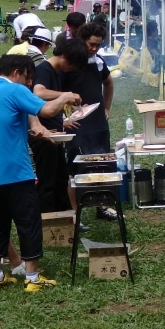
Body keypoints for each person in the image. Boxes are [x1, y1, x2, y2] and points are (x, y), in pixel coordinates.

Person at [0, 54, 80, 291]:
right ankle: (32, 278)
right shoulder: (14, 91)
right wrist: (65, 96)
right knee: (28, 222)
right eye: (27, 78)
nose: (28, 84)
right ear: (16, 72)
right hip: (17, 172)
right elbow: (47, 110)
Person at [63, 23, 116, 220]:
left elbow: (109, 83)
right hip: (76, 123)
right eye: (91, 44)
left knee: (101, 162)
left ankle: (102, 206)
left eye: (98, 45)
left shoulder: (99, 62)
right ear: (81, 41)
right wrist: (64, 117)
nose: (94, 49)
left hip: (98, 123)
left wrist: (107, 108)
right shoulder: (69, 65)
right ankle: (75, 213)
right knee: (75, 167)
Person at [33, 39, 88, 212]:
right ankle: (48, 221)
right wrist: (66, 95)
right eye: (72, 63)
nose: (72, 68)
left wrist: (64, 117)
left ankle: (65, 218)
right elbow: (39, 92)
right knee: (48, 181)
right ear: (63, 55)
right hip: (43, 135)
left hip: (55, 134)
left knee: (61, 179)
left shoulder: (56, 72)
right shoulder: (44, 69)